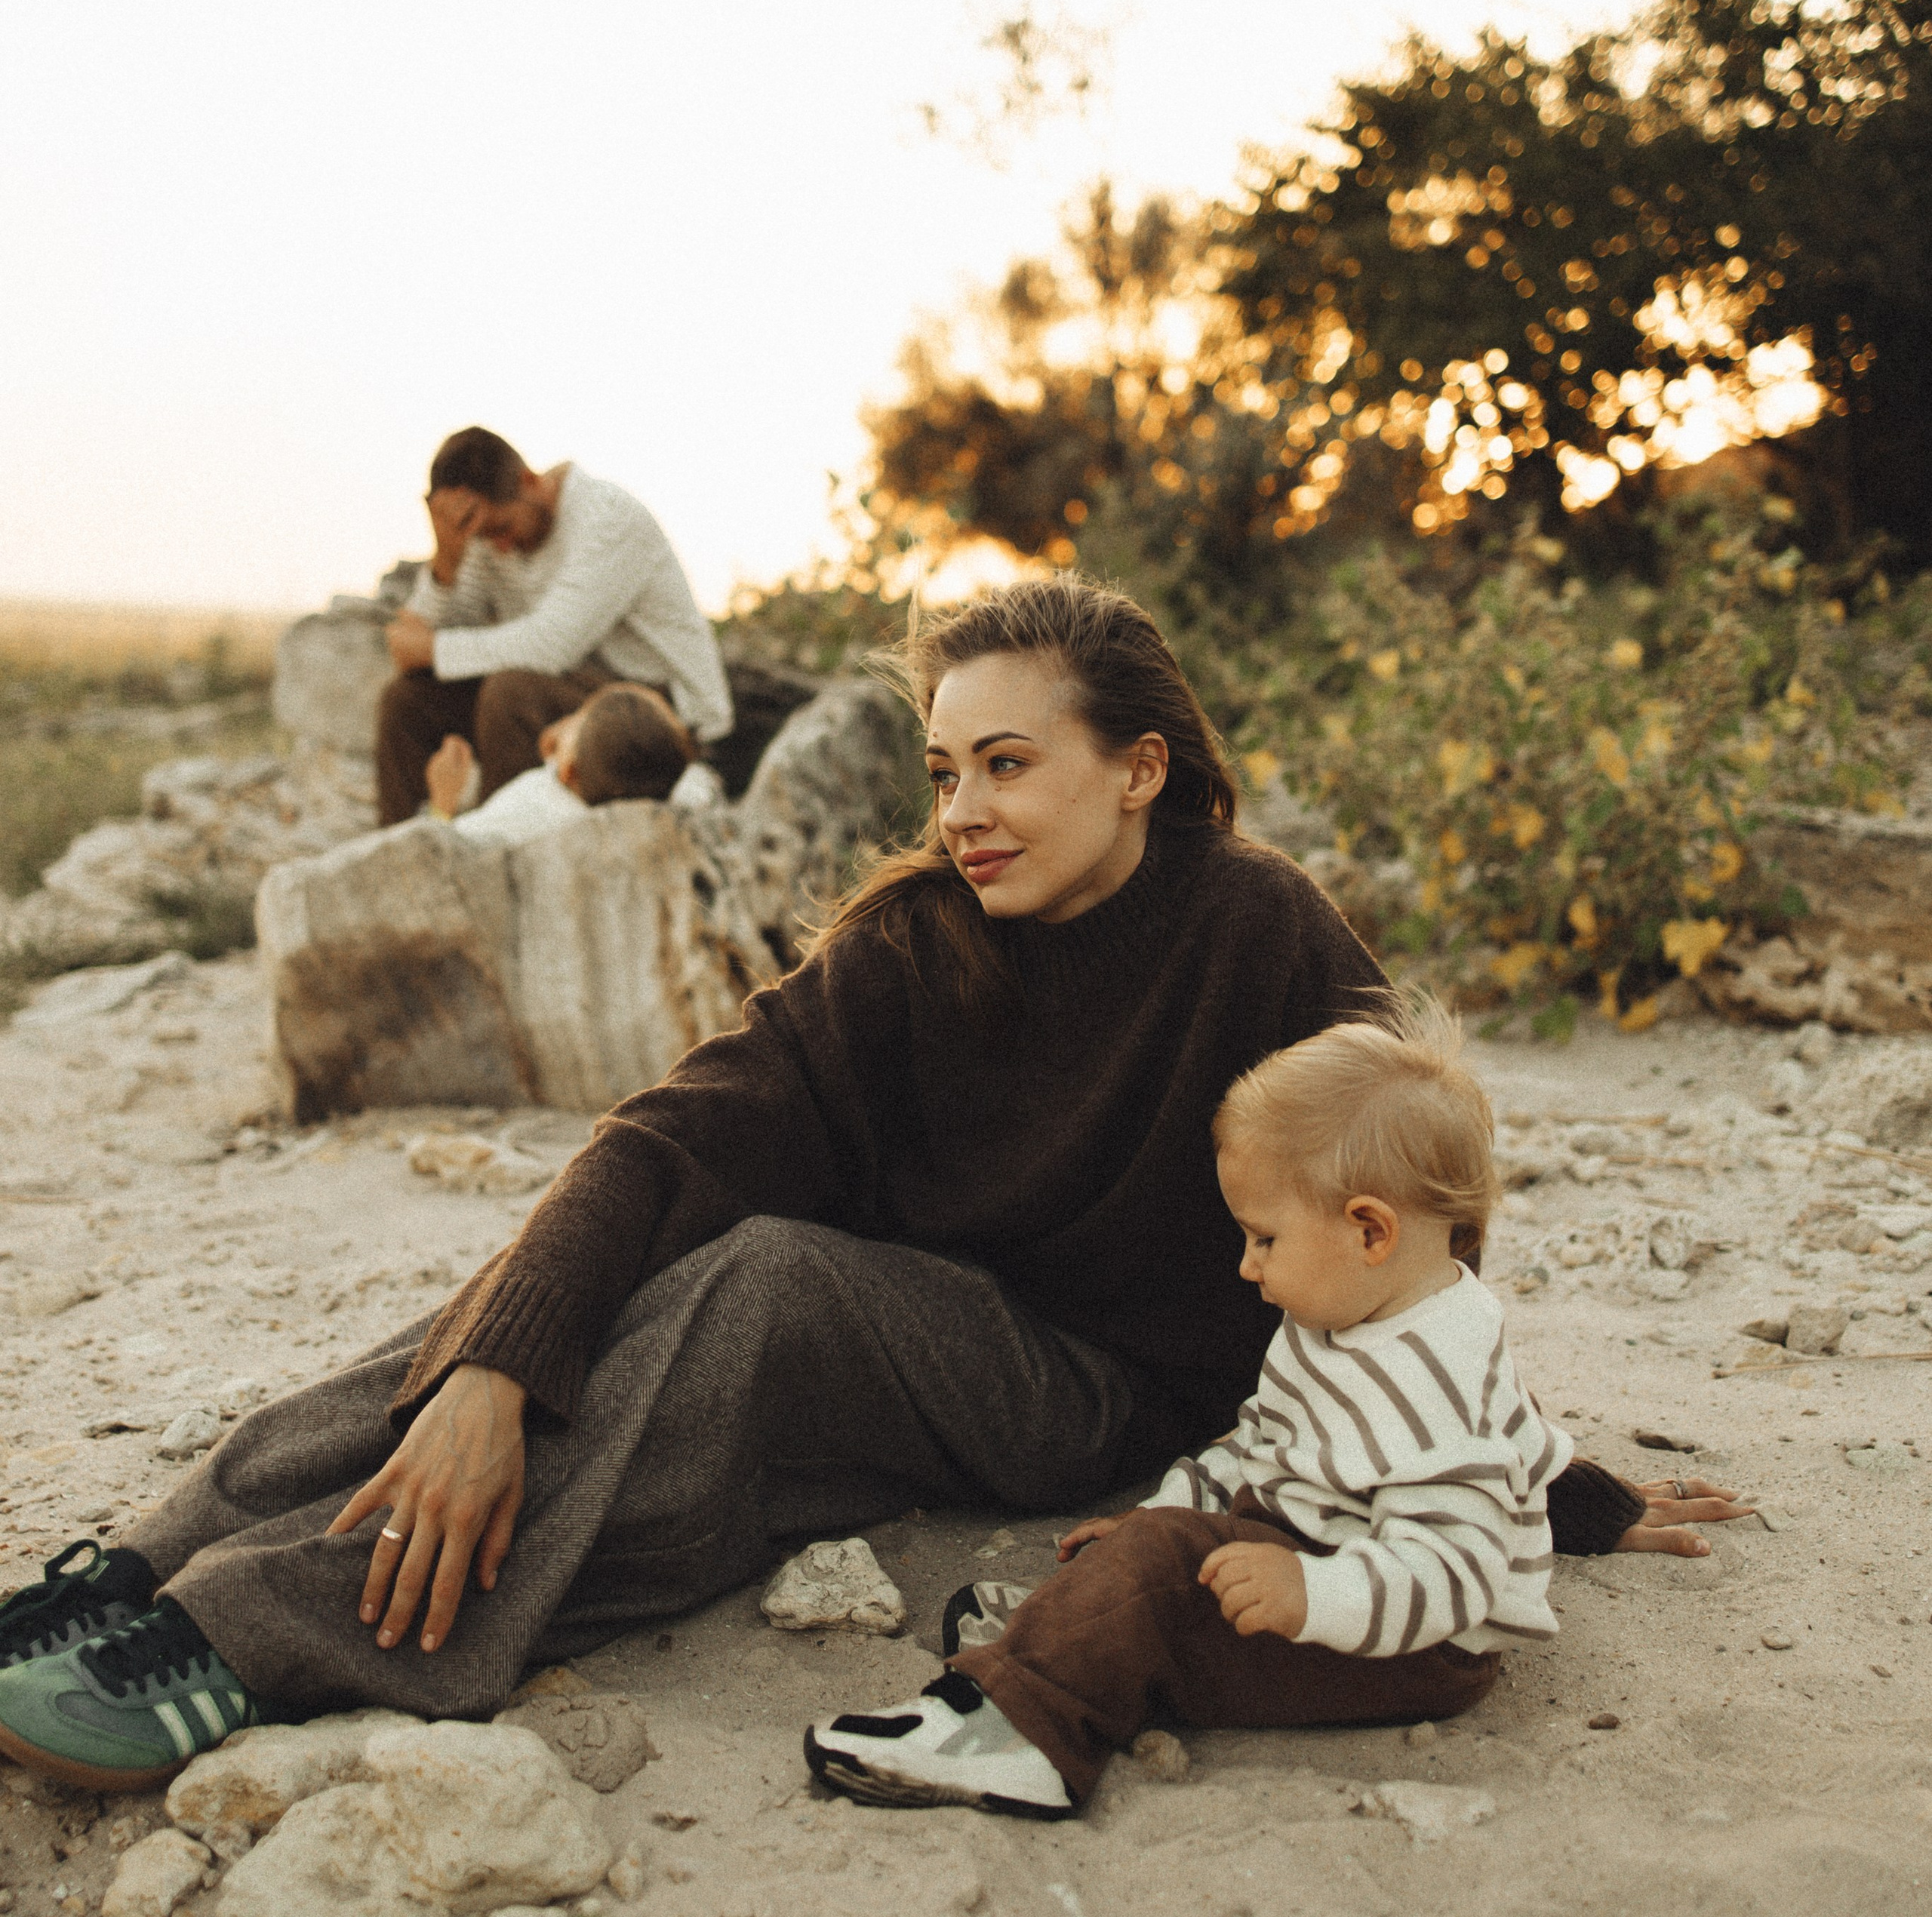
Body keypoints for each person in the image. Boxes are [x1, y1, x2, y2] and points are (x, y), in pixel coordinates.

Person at [0, 577, 1749, 1792]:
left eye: (1007, 763)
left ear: (1138, 765)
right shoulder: (921, 940)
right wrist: (485, 1369)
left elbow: (1409, 1237)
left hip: (1101, 1389)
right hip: (910, 1325)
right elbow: (667, 1132)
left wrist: (1546, 1484)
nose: (964, 808)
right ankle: (135, 1575)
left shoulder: (1259, 939)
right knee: (584, 1293)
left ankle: (246, 1638)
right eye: (943, 767)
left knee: (759, 1284)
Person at [803, 999, 1595, 1817]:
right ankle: (1090, 1629)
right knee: (1156, 1548)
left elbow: (1458, 1570)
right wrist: (1164, 1515)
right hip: (1323, 1551)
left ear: (1369, 1232)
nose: (1247, 1268)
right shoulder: (1346, 1315)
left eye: (1264, 1239)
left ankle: (1022, 1729)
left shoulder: (1434, 1380)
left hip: (1411, 1641)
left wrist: (1312, 1596)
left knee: (1162, 1571)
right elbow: (1263, 1440)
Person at [376, 427, 734, 827]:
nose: (498, 549)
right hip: (572, 688)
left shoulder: (607, 517)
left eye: (501, 531)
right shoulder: (489, 540)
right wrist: (447, 557)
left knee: (510, 693)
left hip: (661, 710)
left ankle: (499, 845)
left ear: (530, 482)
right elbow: (417, 638)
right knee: (408, 699)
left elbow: (550, 646)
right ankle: (399, 852)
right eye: (480, 537)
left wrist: (433, 649)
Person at [420, 680, 711, 849]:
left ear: (569, 771)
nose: (564, 723)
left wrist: (443, 803)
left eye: (575, 719)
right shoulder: (674, 796)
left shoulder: (531, 806)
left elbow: (440, 858)